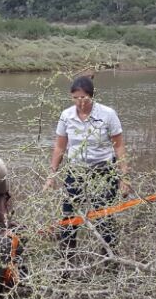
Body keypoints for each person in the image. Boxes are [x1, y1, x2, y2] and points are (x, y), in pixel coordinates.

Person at [45, 75, 128, 251]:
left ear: (92, 96)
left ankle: (109, 257)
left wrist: (124, 177)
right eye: (75, 98)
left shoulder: (107, 114)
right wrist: (51, 176)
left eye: (83, 97)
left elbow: (119, 146)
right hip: (76, 171)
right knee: (68, 215)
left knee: (103, 215)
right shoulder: (66, 115)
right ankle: (68, 258)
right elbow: (60, 147)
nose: (80, 102)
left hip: (103, 171)